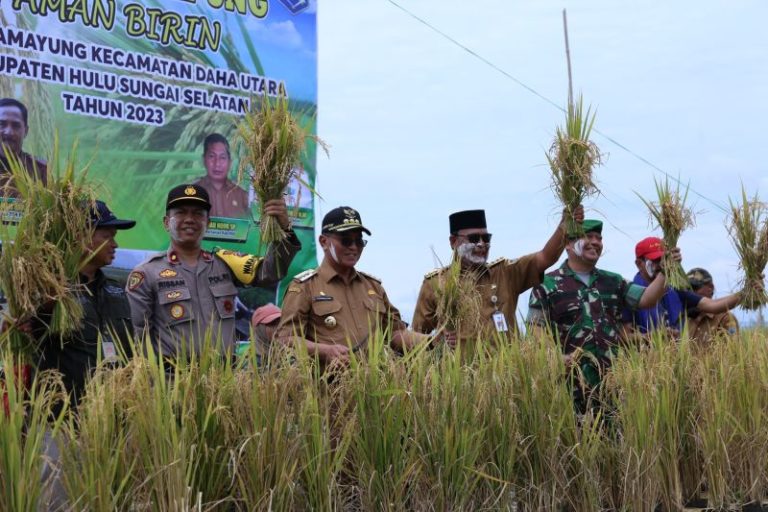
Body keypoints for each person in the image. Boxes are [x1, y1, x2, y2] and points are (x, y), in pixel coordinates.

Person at [35, 199, 135, 511]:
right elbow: (26, 334)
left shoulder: (117, 289)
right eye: (107, 235)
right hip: (60, 425)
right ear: (80, 236)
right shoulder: (50, 292)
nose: (115, 243)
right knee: (56, 503)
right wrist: (47, 302)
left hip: (109, 425)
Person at [125, 183, 300, 359]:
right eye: (181, 212)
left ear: (207, 223)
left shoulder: (224, 264)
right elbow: (138, 335)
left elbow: (270, 272)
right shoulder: (147, 273)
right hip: (172, 381)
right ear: (166, 223)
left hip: (223, 379)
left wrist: (284, 229)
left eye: (197, 213)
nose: (189, 219)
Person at [526, 220, 669, 406]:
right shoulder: (546, 284)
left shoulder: (614, 281)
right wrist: (555, 358)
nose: (596, 242)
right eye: (588, 236)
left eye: (599, 238)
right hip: (570, 391)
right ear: (568, 244)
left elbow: (647, 299)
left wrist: (666, 269)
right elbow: (535, 330)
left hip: (614, 389)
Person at [276, 206, 428, 366]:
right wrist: (324, 351)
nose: (354, 247)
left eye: (359, 241)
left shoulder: (373, 287)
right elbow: (285, 339)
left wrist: (431, 341)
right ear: (324, 242)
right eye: (346, 240)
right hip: (329, 386)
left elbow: (394, 333)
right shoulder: (305, 287)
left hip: (375, 384)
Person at [412, 206, 583, 345]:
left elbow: (545, 257)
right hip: (459, 381)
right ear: (453, 242)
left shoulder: (505, 273)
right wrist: (437, 342)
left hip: (504, 380)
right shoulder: (435, 283)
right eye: (473, 238)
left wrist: (564, 226)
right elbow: (417, 337)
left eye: (486, 238)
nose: (481, 244)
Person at [621, 237, 743, 338]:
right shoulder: (630, 294)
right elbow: (624, 336)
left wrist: (745, 293)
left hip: (677, 361)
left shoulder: (675, 291)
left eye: (664, 259)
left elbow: (713, 305)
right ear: (639, 263)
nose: (662, 265)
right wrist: (654, 336)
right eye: (655, 260)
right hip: (646, 364)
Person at [194, 133, 249, 218]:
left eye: (222, 157)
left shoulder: (241, 195)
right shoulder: (192, 192)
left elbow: (252, 227)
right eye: (212, 156)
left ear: (229, 162)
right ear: (204, 160)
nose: (217, 163)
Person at [0, 98, 47, 196]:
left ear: (26, 131)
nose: (8, 132)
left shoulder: (40, 169)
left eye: (16, 125)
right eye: (2, 124)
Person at [685, 267, 740, 345]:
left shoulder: (725, 319)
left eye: (694, 288)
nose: (691, 293)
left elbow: (733, 352)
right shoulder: (684, 319)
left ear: (711, 288)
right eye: (687, 289)